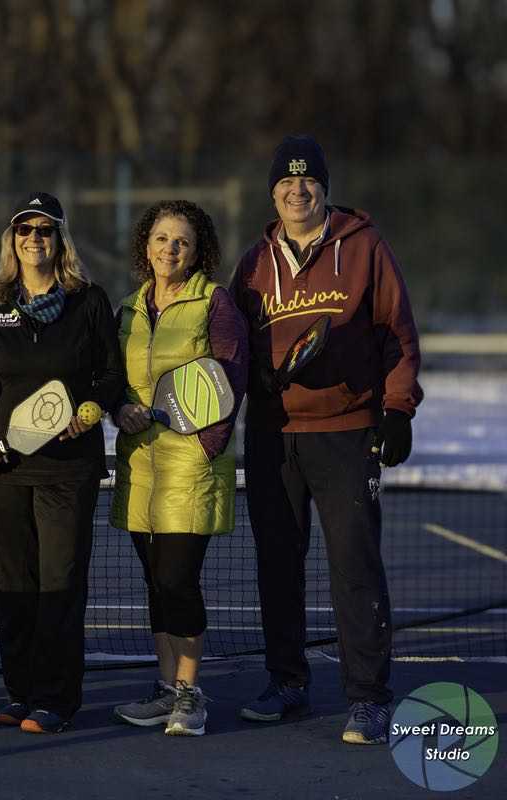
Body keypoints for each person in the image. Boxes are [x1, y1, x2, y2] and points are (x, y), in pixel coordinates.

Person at [230, 135, 422, 745]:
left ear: (324, 188)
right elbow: (232, 344)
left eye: (307, 181)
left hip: (346, 434)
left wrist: (397, 409)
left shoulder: (365, 248)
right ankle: (287, 683)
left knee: (355, 566)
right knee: (278, 567)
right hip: (272, 436)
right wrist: (251, 376)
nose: (297, 191)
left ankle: (368, 698)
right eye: (285, 184)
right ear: (273, 193)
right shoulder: (253, 264)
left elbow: (398, 335)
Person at [0, 192, 125, 733]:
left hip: (68, 470)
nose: (34, 239)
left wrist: (92, 407)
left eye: (45, 230)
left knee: (60, 585)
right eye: (24, 231)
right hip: (7, 470)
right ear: (12, 241)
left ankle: (56, 698)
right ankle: (21, 690)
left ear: (61, 240)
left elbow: (111, 375)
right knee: (14, 585)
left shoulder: (89, 301)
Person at [109, 201, 248, 737]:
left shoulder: (214, 301)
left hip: (191, 463)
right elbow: (118, 380)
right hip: (140, 461)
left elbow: (230, 377)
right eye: (162, 238)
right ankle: (167, 690)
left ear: (198, 251)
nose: (170, 249)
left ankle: (191, 694)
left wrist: (207, 445)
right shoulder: (128, 308)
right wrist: (122, 408)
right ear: (146, 246)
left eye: (182, 241)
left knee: (178, 578)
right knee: (154, 582)